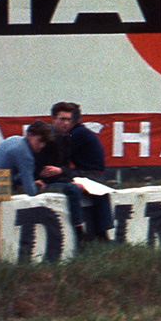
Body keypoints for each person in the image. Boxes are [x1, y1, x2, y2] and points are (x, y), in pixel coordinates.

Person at [38, 102, 114, 242]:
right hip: (88, 173)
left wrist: (61, 170)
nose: (66, 123)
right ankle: (99, 233)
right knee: (96, 192)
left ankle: (96, 234)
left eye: (68, 120)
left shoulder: (73, 135)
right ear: (54, 119)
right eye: (63, 119)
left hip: (87, 173)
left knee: (91, 190)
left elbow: (63, 160)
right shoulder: (70, 134)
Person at [0, 120, 52, 196]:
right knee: (7, 205)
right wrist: (37, 189)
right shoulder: (26, 156)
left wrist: (31, 183)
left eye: (44, 143)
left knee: (4, 176)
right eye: (39, 141)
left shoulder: (15, 139)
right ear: (29, 135)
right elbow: (30, 191)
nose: (41, 146)